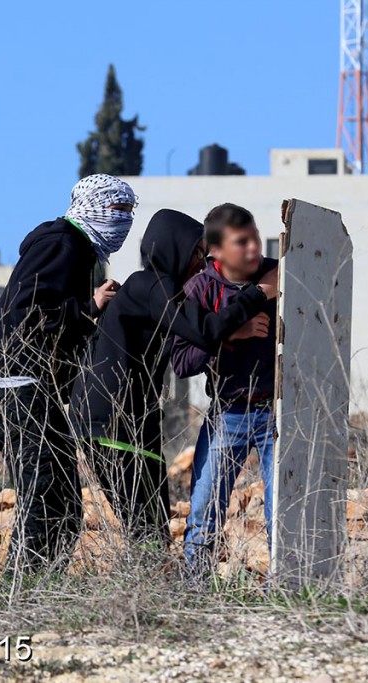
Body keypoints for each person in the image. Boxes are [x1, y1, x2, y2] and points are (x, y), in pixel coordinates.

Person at [72, 209, 272, 548]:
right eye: (196, 252)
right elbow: (203, 330)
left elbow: (198, 333)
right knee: (147, 530)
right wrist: (259, 294)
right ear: (176, 249)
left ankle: (151, 591)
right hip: (115, 423)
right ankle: (145, 595)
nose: (201, 260)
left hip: (135, 422)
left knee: (152, 527)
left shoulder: (152, 290)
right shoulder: (152, 285)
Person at [0, 174, 135, 575]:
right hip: (18, 385)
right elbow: (28, 314)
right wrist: (89, 306)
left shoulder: (78, 250)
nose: (124, 219)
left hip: (32, 388)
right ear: (92, 206)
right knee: (44, 493)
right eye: (116, 209)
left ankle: (43, 581)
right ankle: (23, 587)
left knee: (63, 498)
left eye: (129, 211)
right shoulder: (63, 243)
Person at [171, 203, 279, 584]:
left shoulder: (280, 274)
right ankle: (196, 595)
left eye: (254, 237)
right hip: (227, 414)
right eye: (241, 242)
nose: (253, 248)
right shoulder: (199, 290)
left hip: (278, 414)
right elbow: (182, 362)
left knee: (283, 511)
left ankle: (289, 597)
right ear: (214, 251)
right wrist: (230, 333)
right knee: (203, 510)